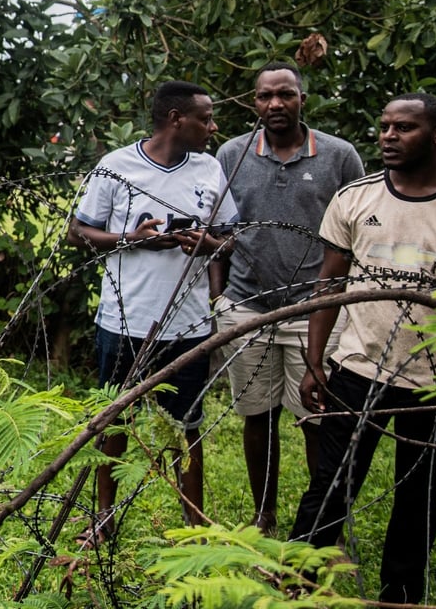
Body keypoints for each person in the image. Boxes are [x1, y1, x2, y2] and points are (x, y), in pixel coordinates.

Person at [289, 92, 436, 605]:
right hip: (358, 364)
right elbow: (330, 283)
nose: (389, 136)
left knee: (418, 491)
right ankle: (298, 579)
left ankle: (402, 592)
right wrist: (315, 359)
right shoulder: (355, 197)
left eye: (405, 127)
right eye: (385, 126)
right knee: (331, 480)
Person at [68, 80, 238, 540]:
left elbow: (230, 238)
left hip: (188, 326)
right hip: (124, 321)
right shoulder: (116, 166)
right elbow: (78, 231)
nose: (212, 126)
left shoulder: (209, 170)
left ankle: (195, 524)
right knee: (113, 422)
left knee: (188, 428)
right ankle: (104, 519)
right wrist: (134, 240)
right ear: (176, 119)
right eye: (205, 118)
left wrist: (207, 245)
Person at [211, 62, 364, 534]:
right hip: (246, 306)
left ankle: (320, 521)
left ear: (302, 98)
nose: (274, 104)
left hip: (313, 311)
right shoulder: (232, 154)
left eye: (285, 94)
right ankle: (265, 514)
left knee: (318, 420)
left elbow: (357, 228)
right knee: (258, 416)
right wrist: (219, 299)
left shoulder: (338, 156)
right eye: (264, 97)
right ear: (253, 102)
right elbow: (219, 230)